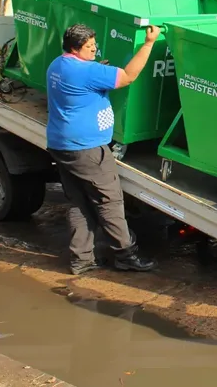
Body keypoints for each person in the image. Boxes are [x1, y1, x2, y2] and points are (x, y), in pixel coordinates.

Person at [46, 23, 160, 276]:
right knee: (109, 201)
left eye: (94, 44)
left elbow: (84, 78)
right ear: (75, 49)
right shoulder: (86, 72)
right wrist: (149, 43)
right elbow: (128, 76)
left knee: (79, 202)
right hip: (86, 149)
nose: (95, 49)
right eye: (89, 47)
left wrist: (96, 68)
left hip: (60, 144)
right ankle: (125, 255)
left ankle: (81, 260)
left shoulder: (58, 64)